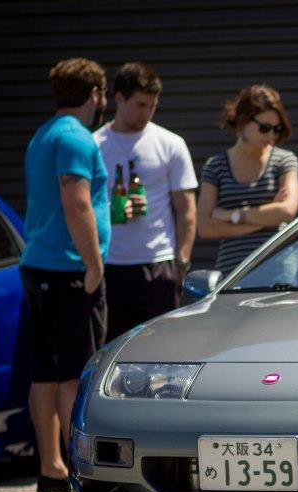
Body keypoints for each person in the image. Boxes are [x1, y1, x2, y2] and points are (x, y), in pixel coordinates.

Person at [20, 58, 111, 492]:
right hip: (68, 269)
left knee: (45, 372)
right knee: (76, 374)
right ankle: (79, 471)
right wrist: (93, 263)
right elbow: (76, 202)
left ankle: (51, 468)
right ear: (95, 93)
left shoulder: (43, 133)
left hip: (39, 266)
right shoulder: (76, 137)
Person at [94, 62, 198, 340]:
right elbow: (82, 205)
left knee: (162, 345)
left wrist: (182, 262)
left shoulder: (170, 143)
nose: (147, 113)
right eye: (140, 105)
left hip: (158, 262)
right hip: (110, 263)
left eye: (152, 106)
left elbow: (186, 208)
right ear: (119, 98)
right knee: (112, 346)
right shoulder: (96, 144)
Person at [196, 85, 298, 274]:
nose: (271, 136)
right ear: (242, 121)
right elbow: (205, 228)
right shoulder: (215, 165)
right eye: (264, 128)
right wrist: (265, 219)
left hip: (277, 268)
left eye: (276, 129)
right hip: (233, 273)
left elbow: (287, 211)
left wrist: (232, 216)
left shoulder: (284, 160)